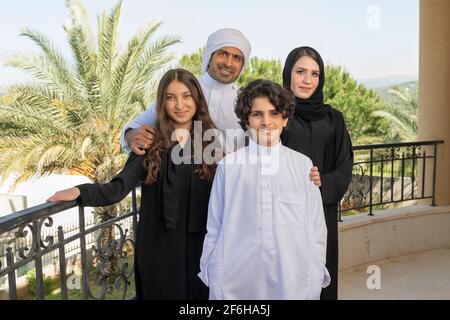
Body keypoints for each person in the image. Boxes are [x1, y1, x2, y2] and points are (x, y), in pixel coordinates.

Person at [47, 69, 219, 300]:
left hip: (199, 246)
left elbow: (224, 194)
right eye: (171, 97)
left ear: (197, 99)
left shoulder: (210, 143)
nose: (179, 104)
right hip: (158, 248)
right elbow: (118, 188)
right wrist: (79, 191)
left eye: (186, 96)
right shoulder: (149, 142)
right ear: (162, 103)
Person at [198, 79, 330, 300]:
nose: (266, 121)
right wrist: (213, 269)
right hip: (236, 279)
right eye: (257, 114)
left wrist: (315, 271)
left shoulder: (302, 165)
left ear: (285, 119)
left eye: (274, 113)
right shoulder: (229, 167)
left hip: (293, 279)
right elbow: (215, 226)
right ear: (246, 120)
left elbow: (317, 226)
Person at [281, 46, 354, 300]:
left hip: (321, 210)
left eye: (314, 74)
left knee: (319, 270)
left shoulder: (334, 119)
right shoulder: (278, 115)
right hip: (284, 211)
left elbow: (345, 165)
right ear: (288, 74)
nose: (308, 80)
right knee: (286, 274)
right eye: (300, 71)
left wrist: (325, 180)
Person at [120, 28, 251, 156]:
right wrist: (130, 136)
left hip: (229, 177)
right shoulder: (184, 88)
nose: (228, 63)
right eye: (222, 54)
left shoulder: (247, 101)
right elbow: (135, 127)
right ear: (210, 57)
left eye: (236, 58)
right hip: (178, 175)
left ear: (242, 65)